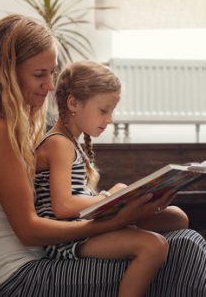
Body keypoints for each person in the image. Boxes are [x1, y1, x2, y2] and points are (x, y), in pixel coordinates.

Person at [0, 14, 206, 297]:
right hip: (22, 279)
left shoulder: (16, 128)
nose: (50, 85)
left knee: (182, 236)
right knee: (183, 250)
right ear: (7, 71)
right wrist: (110, 221)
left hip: (41, 263)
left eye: (51, 73)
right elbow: (29, 230)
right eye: (39, 75)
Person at [34, 60, 190, 297]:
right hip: (67, 238)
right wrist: (109, 198)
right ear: (73, 103)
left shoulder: (71, 143)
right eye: (103, 110)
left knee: (176, 218)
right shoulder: (58, 143)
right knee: (153, 246)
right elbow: (63, 206)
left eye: (111, 111)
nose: (110, 120)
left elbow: (78, 198)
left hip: (83, 224)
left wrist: (124, 198)